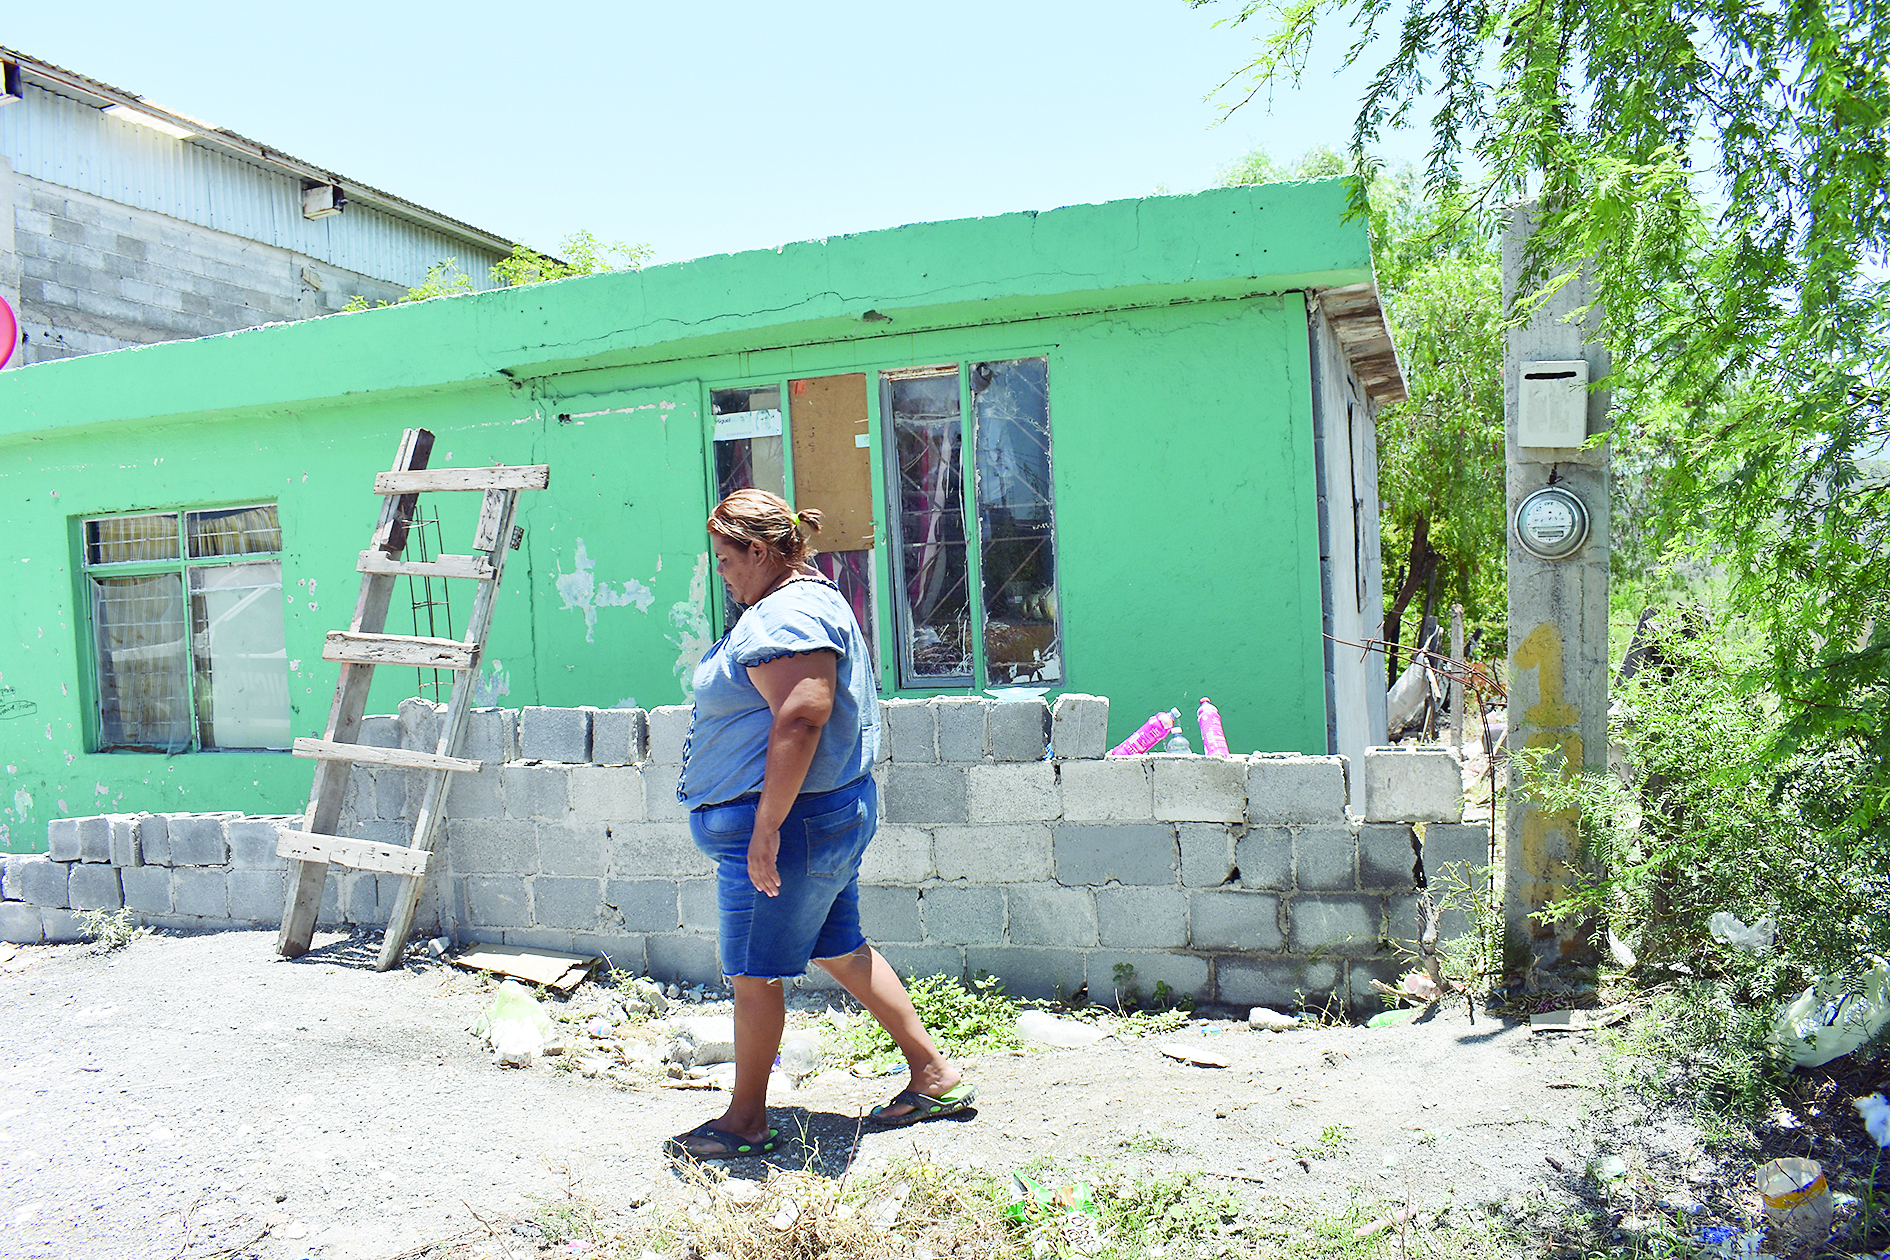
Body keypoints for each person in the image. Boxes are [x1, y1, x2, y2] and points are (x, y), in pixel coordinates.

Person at [668, 489, 976, 1160]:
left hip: (792, 828)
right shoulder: (805, 597)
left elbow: (803, 714)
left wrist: (766, 827)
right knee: (841, 946)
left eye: (726, 560)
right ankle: (934, 1076)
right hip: (817, 820)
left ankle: (744, 1120)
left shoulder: (791, 613)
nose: (722, 574)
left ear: (759, 551)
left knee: (755, 973)